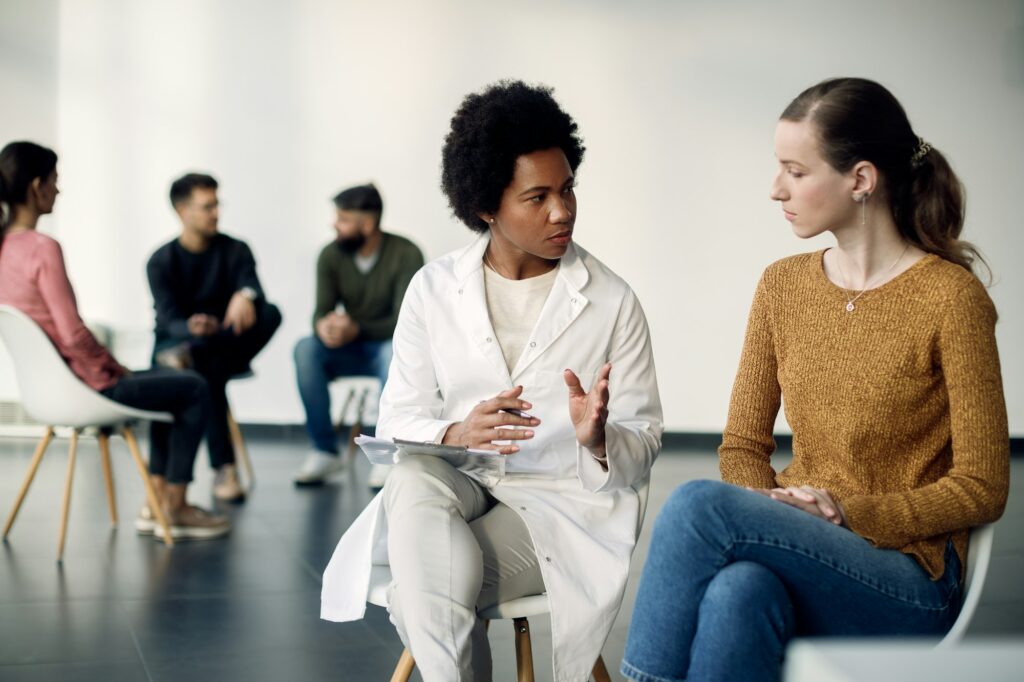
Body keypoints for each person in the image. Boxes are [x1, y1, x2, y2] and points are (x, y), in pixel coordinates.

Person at [621, 78, 1009, 682]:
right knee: (737, 592)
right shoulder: (782, 285)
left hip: (907, 579)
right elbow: (742, 447)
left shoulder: (950, 299)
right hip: (803, 546)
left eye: (795, 171)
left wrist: (848, 514)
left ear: (860, 179)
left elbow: (984, 486)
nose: (776, 188)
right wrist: (779, 508)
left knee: (697, 506)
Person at [320, 81, 663, 681]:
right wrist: (456, 432)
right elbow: (396, 419)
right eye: (537, 197)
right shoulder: (433, 289)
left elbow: (645, 440)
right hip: (461, 478)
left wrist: (599, 441)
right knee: (412, 479)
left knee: (425, 585)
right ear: (486, 207)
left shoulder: (612, 302)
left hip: (562, 500)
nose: (563, 211)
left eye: (567, 188)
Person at [0, 141, 229, 540]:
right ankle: (174, 507)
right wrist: (113, 368)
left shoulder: (4, 247)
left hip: (47, 391)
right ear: (37, 187)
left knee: (167, 383)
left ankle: (155, 503)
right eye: (55, 181)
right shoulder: (42, 248)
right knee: (193, 388)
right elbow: (73, 333)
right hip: (87, 385)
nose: (58, 190)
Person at [146, 173, 282, 502]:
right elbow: (168, 319)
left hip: (222, 342)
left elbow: (254, 288)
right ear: (182, 211)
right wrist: (191, 328)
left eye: (217, 204)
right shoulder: (160, 261)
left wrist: (245, 295)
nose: (216, 213)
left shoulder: (235, 249)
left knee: (268, 313)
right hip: (177, 344)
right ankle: (221, 468)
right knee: (196, 371)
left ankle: (162, 486)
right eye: (207, 207)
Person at [292, 183, 423, 486]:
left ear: (367, 224)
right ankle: (324, 450)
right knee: (305, 349)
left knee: (392, 353)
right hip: (349, 349)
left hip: (387, 346)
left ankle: (387, 453)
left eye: (343, 219)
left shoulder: (406, 253)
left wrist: (357, 329)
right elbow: (320, 311)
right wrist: (324, 327)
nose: (334, 225)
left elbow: (407, 322)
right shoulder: (330, 255)